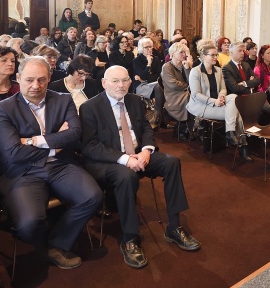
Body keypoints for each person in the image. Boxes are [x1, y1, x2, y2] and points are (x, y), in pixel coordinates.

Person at [80, 66, 200, 269]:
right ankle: (130, 237)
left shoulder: (135, 100)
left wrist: (146, 150)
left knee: (172, 162)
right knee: (127, 176)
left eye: (125, 80)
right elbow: (90, 146)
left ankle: (173, 226)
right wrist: (124, 159)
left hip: (138, 153)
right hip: (109, 161)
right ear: (104, 83)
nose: (121, 85)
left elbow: (145, 127)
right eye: (115, 81)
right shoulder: (90, 107)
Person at [0, 56, 103, 269]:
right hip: (23, 172)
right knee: (28, 224)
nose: (36, 86)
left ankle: (57, 244)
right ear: (18, 78)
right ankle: (42, 241)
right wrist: (55, 142)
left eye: (42, 80)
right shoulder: (3, 109)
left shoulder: (63, 99)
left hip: (61, 165)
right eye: (29, 80)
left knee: (92, 197)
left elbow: (75, 134)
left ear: (49, 77)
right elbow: (13, 153)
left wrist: (33, 141)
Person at [187, 41, 251, 161]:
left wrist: (221, 96)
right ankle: (242, 146)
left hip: (218, 102)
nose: (216, 57)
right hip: (202, 106)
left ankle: (230, 132)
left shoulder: (218, 70)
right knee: (237, 114)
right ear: (204, 56)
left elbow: (223, 88)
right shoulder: (195, 71)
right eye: (213, 55)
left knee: (233, 97)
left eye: (216, 55)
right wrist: (214, 101)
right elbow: (196, 95)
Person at [132, 37, 165, 127]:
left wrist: (146, 78)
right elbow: (142, 76)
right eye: (146, 47)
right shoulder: (136, 60)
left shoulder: (157, 59)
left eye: (151, 47)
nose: (149, 49)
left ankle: (158, 113)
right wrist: (148, 64)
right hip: (141, 86)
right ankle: (158, 115)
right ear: (141, 49)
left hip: (153, 84)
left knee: (160, 86)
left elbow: (159, 75)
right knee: (159, 87)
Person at [160, 41, 191, 135]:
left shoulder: (184, 65)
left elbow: (192, 81)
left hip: (184, 92)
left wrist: (187, 69)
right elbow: (173, 85)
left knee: (196, 97)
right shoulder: (167, 67)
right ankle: (185, 127)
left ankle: (191, 126)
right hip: (173, 95)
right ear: (173, 54)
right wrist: (187, 86)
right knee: (192, 98)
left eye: (185, 52)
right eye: (181, 52)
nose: (184, 55)